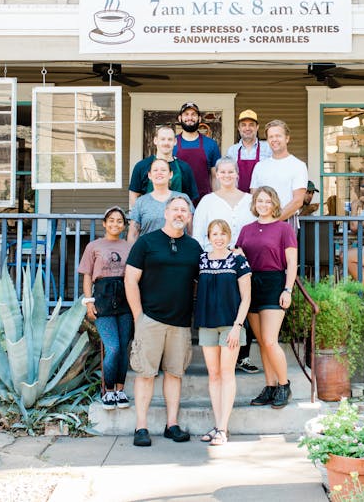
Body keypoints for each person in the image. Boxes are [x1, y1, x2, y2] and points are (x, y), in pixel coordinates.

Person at [125, 196, 202, 447]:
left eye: (184, 210)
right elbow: (130, 280)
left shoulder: (194, 248)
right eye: (176, 209)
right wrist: (139, 317)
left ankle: (172, 424)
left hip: (180, 322)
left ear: (189, 217)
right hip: (150, 319)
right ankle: (141, 427)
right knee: (145, 374)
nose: (180, 214)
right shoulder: (146, 242)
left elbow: (206, 280)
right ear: (166, 212)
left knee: (174, 374)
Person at [191, 156, 259, 374]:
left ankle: (244, 356)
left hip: (247, 259)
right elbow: (199, 234)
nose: (227, 176)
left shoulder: (249, 200)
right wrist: (212, 255)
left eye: (231, 172)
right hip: (216, 264)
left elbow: (258, 227)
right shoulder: (208, 201)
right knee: (226, 304)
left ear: (237, 174)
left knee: (245, 303)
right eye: (223, 172)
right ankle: (225, 353)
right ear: (216, 175)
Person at [236, 186, 298, 409]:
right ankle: (270, 386)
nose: (263, 205)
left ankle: (284, 385)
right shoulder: (246, 229)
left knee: (270, 340)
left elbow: (291, 262)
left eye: (268, 201)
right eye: (260, 201)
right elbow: (239, 255)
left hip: (274, 283)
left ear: (274, 204)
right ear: (254, 203)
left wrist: (288, 289)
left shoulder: (284, 229)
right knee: (262, 341)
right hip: (252, 284)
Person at [195, 219, 252, 446]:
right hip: (207, 323)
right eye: (214, 234)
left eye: (222, 234)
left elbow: (246, 296)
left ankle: (223, 428)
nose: (218, 238)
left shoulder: (238, 259)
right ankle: (216, 425)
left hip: (230, 324)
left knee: (227, 373)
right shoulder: (201, 260)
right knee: (214, 374)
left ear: (229, 236)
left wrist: (238, 326)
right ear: (208, 237)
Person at [79, 206, 134, 410]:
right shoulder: (94, 246)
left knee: (123, 349)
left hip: (125, 298)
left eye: (119, 221)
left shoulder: (129, 247)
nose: (115, 224)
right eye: (111, 220)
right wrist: (89, 301)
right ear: (104, 223)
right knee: (113, 348)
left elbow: (134, 275)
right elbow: (86, 275)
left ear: (124, 225)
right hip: (102, 297)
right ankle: (108, 391)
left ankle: (120, 390)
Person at [250, 120, 309, 226]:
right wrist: (264, 219)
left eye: (278, 136)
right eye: (271, 137)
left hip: (287, 221)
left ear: (287, 138)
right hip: (261, 221)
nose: (274, 140)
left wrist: (273, 220)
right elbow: (254, 197)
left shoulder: (298, 165)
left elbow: (297, 201)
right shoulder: (259, 166)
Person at [128, 125, 199, 207]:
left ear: (175, 142)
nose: (166, 143)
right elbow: (134, 195)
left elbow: (190, 199)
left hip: (176, 217)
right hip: (148, 217)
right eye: (162, 139)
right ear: (155, 140)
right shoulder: (141, 166)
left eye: (170, 139)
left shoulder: (185, 168)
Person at [128, 158, 194, 241]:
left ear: (170, 174)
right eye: (155, 170)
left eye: (163, 170)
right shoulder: (141, 201)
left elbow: (190, 231)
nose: (159, 173)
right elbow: (133, 234)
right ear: (149, 175)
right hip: (148, 251)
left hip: (178, 250)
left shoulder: (183, 199)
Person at [175, 102, 221, 205]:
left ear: (199, 119)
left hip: (204, 201)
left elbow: (215, 176)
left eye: (193, 114)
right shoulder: (172, 143)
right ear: (180, 118)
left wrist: (217, 200)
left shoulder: (211, 144)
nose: (190, 118)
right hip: (177, 202)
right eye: (186, 114)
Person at [225, 109, 272, 193]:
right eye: (243, 125)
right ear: (239, 128)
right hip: (237, 198)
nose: (247, 128)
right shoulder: (232, 150)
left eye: (251, 125)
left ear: (257, 127)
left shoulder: (268, 148)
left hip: (262, 199)